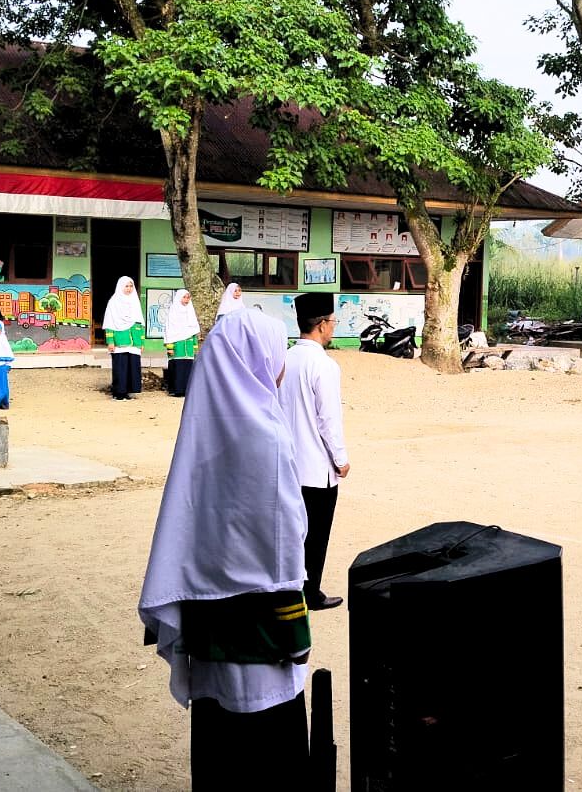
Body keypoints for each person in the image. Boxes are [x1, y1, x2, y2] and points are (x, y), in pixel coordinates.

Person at [138, 307, 311, 789]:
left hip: (211, 631)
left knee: (219, 751)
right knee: (266, 757)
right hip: (262, 638)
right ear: (259, 357)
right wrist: (294, 628)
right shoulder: (267, 436)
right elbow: (284, 542)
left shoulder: (202, 431)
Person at [281, 292, 350, 611]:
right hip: (316, 467)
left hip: (286, 462)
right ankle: (311, 591)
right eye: (332, 321)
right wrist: (340, 458)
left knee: (290, 532)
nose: (333, 327)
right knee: (316, 533)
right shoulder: (323, 365)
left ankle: (287, 589)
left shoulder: (285, 358)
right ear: (321, 325)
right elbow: (328, 419)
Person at [105, 277, 146, 400]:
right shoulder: (114, 302)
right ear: (121, 287)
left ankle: (128, 391)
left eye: (131, 286)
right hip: (120, 342)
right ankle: (118, 393)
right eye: (126, 286)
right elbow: (109, 323)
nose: (129, 289)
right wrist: (110, 341)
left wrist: (141, 342)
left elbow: (140, 323)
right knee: (120, 368)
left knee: (132, 368)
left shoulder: (135, 301)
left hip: (134, 343)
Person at [163, 289, 201, 398]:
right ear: (179, 298)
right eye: (184, 297)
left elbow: (193, 330)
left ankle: (186, 390)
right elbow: (169, 330)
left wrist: (194, 346)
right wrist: (169, 347)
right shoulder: (173, 313)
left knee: (188, 368)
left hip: (188, 347)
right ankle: (176, 390)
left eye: (188, 297)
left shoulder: (190, 312)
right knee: (177, 368)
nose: (186, 300)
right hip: (177, 346)